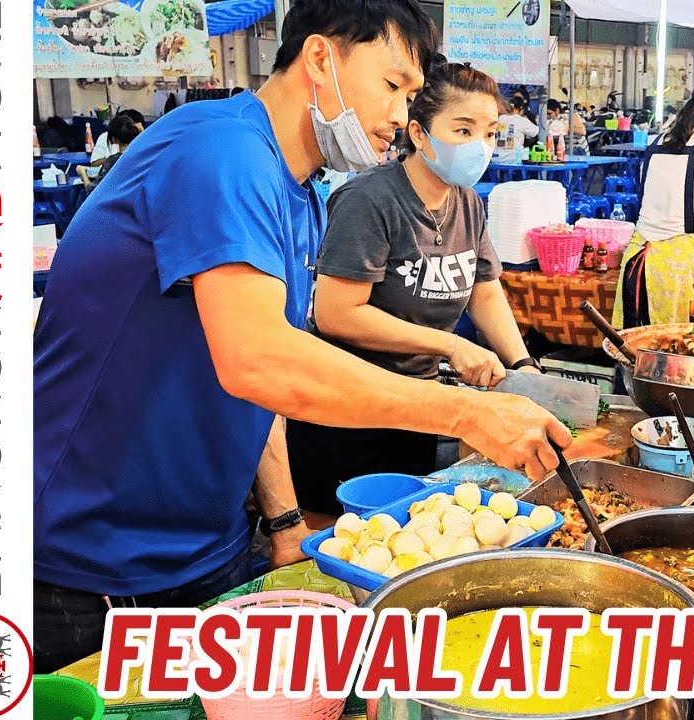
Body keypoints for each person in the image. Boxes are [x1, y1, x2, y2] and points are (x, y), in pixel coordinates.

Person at [33, 0, 569, 673]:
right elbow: (256, 359)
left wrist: (284, 523)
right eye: (393, 85)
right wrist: (471, 411)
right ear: (321, 58)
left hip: (211, 546)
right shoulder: (219, 151)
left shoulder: (304, 193)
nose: (403, 116)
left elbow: (275, 375)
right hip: (90, 565)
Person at [287, 63, 538, 519]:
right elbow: (338, 313)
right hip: (348, 408)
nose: (479, 147)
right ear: (420, 134)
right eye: (463, 130)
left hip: (420, 406)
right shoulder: (371, 200)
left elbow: (484, 290)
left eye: (489, 133)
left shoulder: (467, 202)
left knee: (409, 530)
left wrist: (523, 366)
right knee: (340, 540)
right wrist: (449, 344)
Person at [613, 73, 694, 329]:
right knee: (678, 356)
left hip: (636, 261)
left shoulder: (658, 142)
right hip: (682, 269)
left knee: (635, 348)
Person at [90, 114, 143, 186]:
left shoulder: (113, 161)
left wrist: (82, 173)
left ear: (113, 139)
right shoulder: (142, 156)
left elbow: (92, 190)